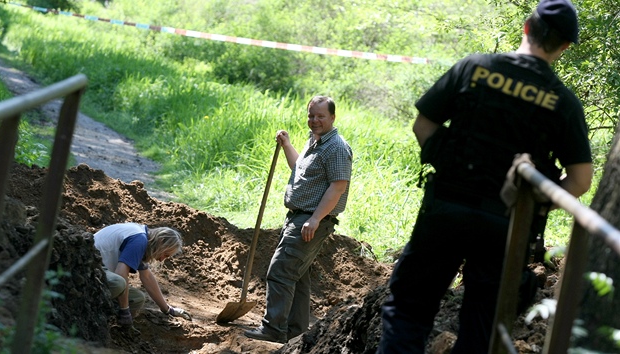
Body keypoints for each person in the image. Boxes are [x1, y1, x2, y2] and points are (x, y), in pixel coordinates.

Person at [377, 0, 593, 352]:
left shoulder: (473, 67)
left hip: (446, 206)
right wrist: (533, 205)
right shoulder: (562, 102)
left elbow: (423, 124)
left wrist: (448, 162)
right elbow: (581, 180)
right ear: (565, 46)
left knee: (408, 311)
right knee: (481, 328)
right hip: (507, 226)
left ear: (526, 26)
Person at [244, 96, 353, 344]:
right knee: (298, 277)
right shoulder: (314, 142)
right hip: (297, 217)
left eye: (320, 116)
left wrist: (315, 218)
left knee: (281, 271)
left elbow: (338, 187)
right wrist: (287, 145)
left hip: (311, 219)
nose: (314, 121)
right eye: (311, 115)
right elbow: (299, 170)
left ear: (333, 118)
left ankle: (273, 328)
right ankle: (295, 333)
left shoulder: (336, 147)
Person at [94, 223, 191, 330]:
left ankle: (110, 324)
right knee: (118, 283)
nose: (162, 259)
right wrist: (125, 310)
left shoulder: (142, 238)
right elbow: (121, 274)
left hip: (101, 273)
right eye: (166, 254)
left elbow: (147, 277)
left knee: (137, 298)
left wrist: (168, 309)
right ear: (161, 241)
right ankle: (93, 314)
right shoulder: (139, 240)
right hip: (89, 270)